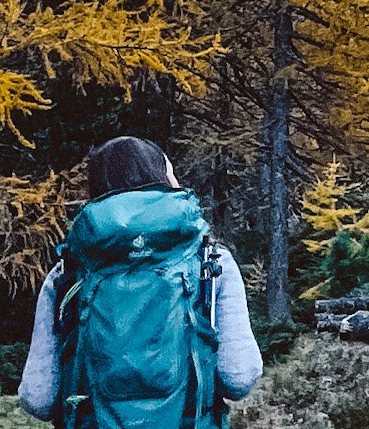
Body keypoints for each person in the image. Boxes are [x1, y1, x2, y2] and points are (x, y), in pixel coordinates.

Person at [18, 138, 263, 429]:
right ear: (163, 181)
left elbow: (38, 397)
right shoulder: (211, 262)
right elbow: (238, 377)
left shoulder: (67, 272)